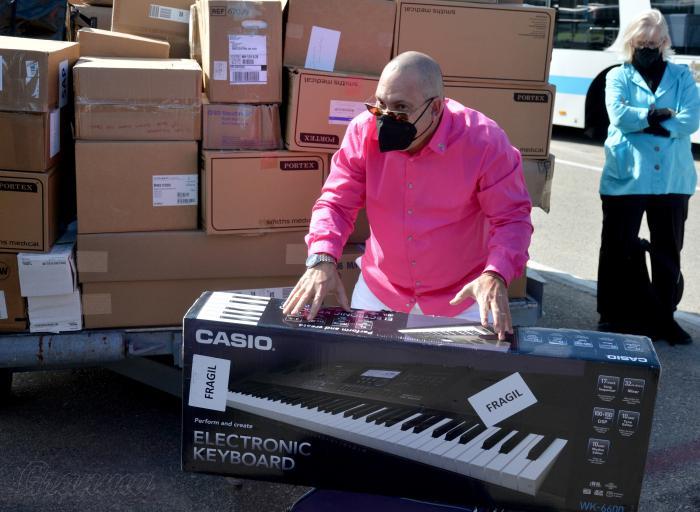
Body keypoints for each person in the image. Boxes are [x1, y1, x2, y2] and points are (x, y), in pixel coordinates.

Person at [282, 51, 533, 340]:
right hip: (380, 292)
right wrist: (322, 257)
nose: (386, 117)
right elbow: (336, 203)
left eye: (401, 108)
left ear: (435, 108)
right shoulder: (363, 131)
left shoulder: (484, 141)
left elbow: (512, 218)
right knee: (363, 367)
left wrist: (495, 274)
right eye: (380, 104)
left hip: (462, 297)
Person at [597, 9, 699, 345]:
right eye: (642, 43)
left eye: (654, 43)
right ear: (630, 41)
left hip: (672, 179)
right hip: (627, 176)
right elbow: (619, 116)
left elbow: (691, 120)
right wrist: (662, 115)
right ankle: (610, 314)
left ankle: (664, 317)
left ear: (665, 41)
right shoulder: (617, 76)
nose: (648, 49)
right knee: (617, 246)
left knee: (668, 249)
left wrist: (645, 120)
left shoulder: (682, 76)